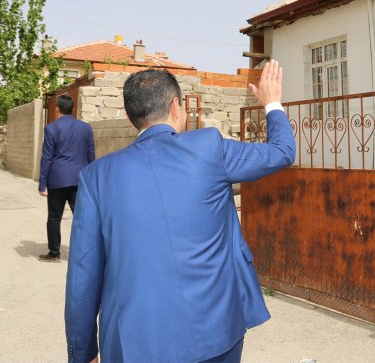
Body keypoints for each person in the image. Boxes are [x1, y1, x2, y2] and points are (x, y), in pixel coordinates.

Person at [64, 60, 295, 363]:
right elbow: (282, 151)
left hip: (135, 343)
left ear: (131, 119)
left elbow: (82, 273)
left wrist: (82, 353)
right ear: (176, 106)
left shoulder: (97, 177)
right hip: (217, 330)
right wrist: (272, 102)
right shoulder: (209, 147)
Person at [37, 94, 95, 262]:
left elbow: (47, 158)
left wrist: (42, 184)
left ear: (57, 109)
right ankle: (87, 254)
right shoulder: (86, 128)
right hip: (79, 179)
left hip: (57, 179)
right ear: (73, 109)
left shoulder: (51, 128)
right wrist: (92, 178)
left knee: (54, 217)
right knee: (82, 217)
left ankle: (54, 253)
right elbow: (91, 154)